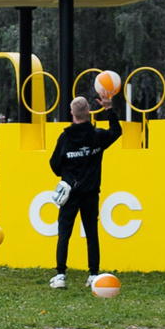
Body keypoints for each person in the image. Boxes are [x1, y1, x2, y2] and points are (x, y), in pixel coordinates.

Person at [47, 84, 126, 289]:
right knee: (91, 234)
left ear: (72, 113)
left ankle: (61, 275)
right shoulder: (97, 136)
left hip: (70, 193)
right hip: (91, 193)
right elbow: (117, 131)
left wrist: (67, 172)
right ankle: (93, 274)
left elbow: (54, 164)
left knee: (64, 233)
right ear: (89, 112)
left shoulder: (65, 138)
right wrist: (109, 109)